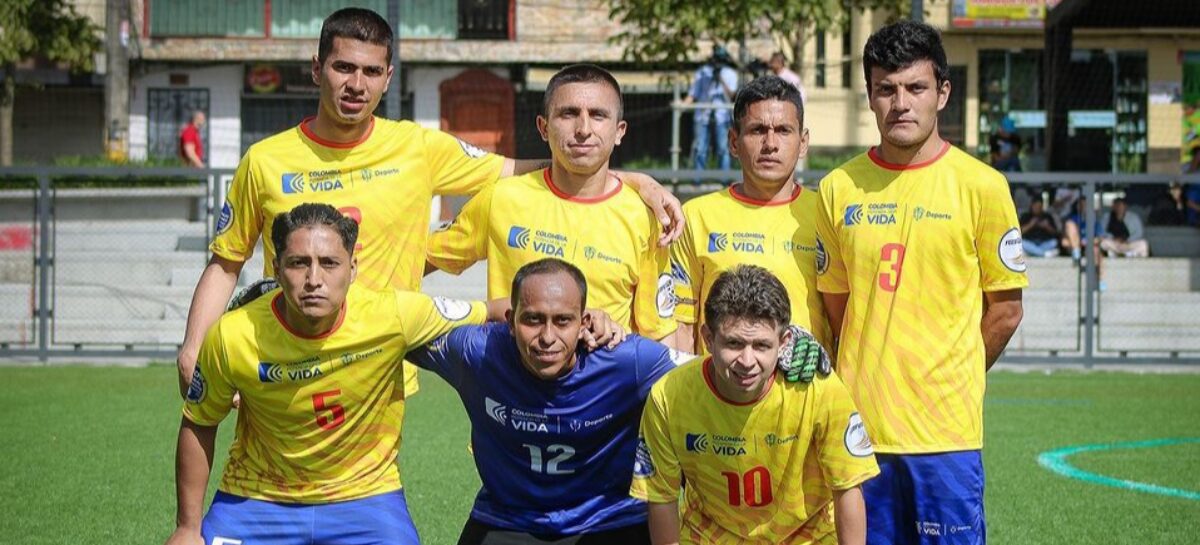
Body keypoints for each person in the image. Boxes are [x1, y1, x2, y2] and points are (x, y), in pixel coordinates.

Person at [176, 8, 683, 401]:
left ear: (389, 77)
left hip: (380, 362)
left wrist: (633, 180)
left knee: (364, 497)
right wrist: (194, 346)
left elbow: (526, 166)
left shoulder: (420, 148)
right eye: (343, 67)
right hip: (283, 351)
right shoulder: (264, 159)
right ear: (317, 69)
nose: (357, 84)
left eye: (371, 71)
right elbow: (226, 263)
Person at [164, 203, 506, 545]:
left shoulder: (394, 314)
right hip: (255, 497)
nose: (314, 279)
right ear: (277, 269)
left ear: (352, 268)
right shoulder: (232, 335)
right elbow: (199, 421)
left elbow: (494, 311)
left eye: (329, 263)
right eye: (299, 263)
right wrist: (187, 527)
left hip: (367, 497)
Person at [813, 20, 1026, 544]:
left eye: (915, 87)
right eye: (886, 89)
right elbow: (836, 309)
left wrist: (952, 374)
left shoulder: (983, 186)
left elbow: (1005, 309)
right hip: (859, 431)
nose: (900, 103)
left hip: (945, 437)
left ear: (943, 93)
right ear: (869, 96)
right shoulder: (838, 188)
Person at [403, 258, 678, 544]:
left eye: (563, 320)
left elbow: (703, 375)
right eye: (533, 319)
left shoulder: (626, 360)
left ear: (584, 322)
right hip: (506, 518)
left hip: (608, 519)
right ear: (509, 321)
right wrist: (484, 309)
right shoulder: (478, 353)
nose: (548, 337)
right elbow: (395, 328)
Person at [426, 64, 678, 346]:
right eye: (568, 114)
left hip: (604, 388)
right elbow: (419, 260)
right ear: (543, 128)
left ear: (619, 131)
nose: (583, 129)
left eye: (598, 115)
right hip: (511, 384)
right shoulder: (501, 199)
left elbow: (660, 336)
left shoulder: (645, 217)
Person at [631, 265, 878, 545]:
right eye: (734, 343)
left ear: (784, 343)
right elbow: (661, 498)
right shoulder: (669, 396)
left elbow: (847, 487)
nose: (747, 361)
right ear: (708, 339)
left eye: (761, 345)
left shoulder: (818, 388)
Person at [671, 75, 830, 354]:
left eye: (783, 130)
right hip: (717, 395)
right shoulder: (696, 217)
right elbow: (681, 326)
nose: (770, 143)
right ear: (733, 141)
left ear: (803, 142)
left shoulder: (826, 215)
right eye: (757, 130)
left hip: (806, 394)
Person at [683, 45, 739, 171]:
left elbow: (732, 96)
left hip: (722, 116)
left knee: (723, 149)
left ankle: (724, 180)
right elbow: (693, 94)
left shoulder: (730, 74)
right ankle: (698, 181)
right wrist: (682, 105)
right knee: (700, 148)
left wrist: (720, 79)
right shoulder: (703, 73)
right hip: (703, 115)